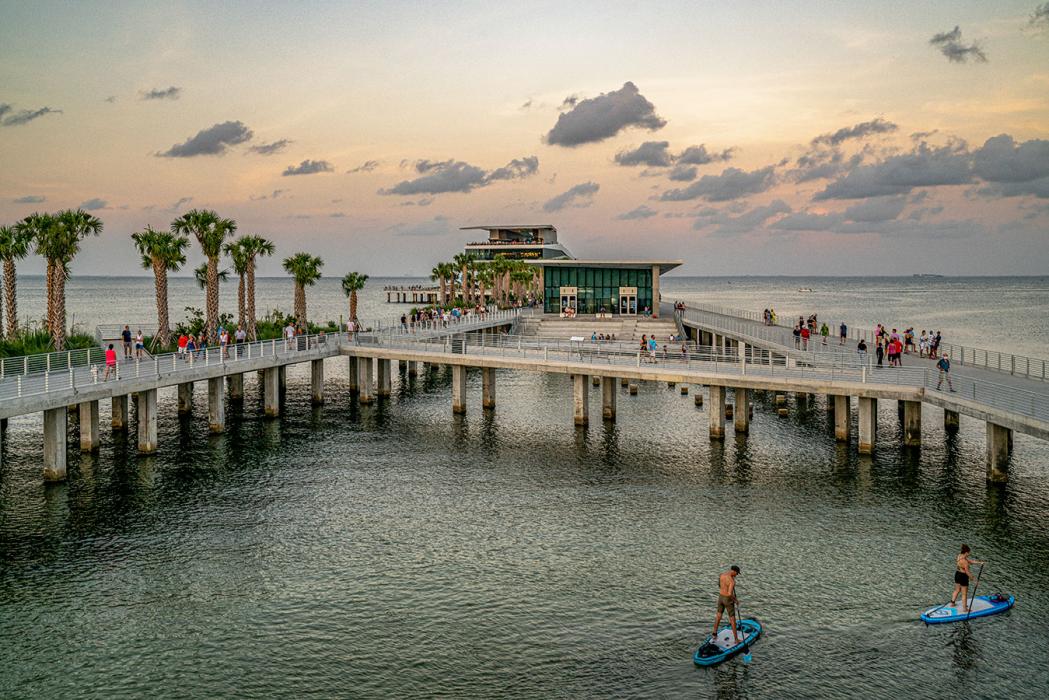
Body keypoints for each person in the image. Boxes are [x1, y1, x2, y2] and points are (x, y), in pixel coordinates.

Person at [712, 565, 742, 645]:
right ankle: (736, 639)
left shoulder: (722, 575)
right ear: (734, 571)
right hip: (727, 600)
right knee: (732, 619)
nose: (736, 575)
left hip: (720, 597)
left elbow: (720, 585)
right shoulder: (732, 581)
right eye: (737, 573)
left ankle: (714, 634)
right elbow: (729, 594)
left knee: (718, 615)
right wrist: (735, 600)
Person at [951, 544, 985, 613]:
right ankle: (965, 609)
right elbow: (967, 572)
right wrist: (975, 580)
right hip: (963, 577)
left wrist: (979, 562)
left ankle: (952, 603)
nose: (969, 554)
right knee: (964, 593)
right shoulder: (965, 562)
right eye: (969, 553)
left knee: (957, 590)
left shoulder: (959, 556)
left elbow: (970, 561)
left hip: (957, 574)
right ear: (966, 552)